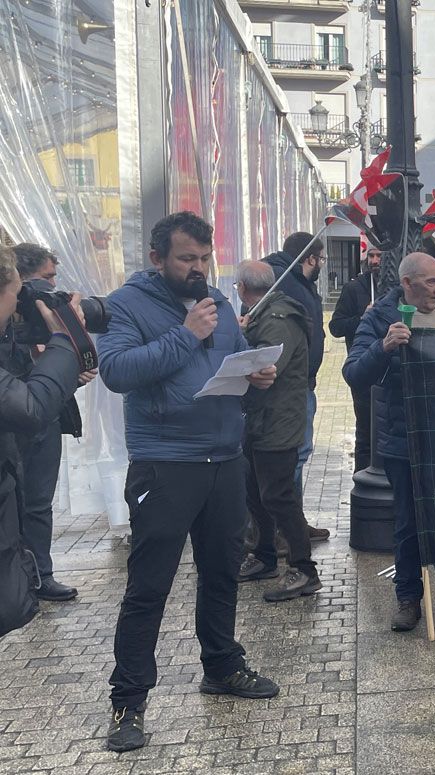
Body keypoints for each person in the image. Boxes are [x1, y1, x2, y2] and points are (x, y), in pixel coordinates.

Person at [99, 212, 280, 753]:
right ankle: (128, 701)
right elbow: (117, 372)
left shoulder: (219, 305)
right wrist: (184, 335)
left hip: (224, 459)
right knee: (149, 586)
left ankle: (221, 665)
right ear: (157, 259)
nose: (199, 269)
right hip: (165, 462)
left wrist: (255, 377)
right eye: (187, 260)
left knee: (222, 572)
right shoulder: (126, 305)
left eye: (205, 259)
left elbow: (225, 362)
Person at [344, 252, 435, 630]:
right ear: (406, 283)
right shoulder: (379, 317)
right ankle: (408, 597)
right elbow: (355, 374)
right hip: (403, 438)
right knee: (409, 523)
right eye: (429, 282)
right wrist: (384, 347)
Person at [3, 244, 95, 602]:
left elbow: (43, 392)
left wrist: (71, 373)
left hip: (44, 422)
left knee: (39, 501)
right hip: (12, 424)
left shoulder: (42, 321)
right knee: (14, 500)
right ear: (18, 280)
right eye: (46, 278)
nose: (51, 287)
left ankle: (40, 574)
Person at [233, 261, 320, 603]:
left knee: (278, 496)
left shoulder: (277, 317)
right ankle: (264, 556)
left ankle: (304, 569)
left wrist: (238, 337)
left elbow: (267, 365)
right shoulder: (262, 311)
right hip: (257, 418)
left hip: (278, 420)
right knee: (255, 490)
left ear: (241, 287)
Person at [262, 233, 328, 539]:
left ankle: (293, 524)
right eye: (321, 259)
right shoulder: (286, 283)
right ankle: (286, 530)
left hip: (300, 384)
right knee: (293, 457)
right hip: (290, 388)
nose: (321, 266)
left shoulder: (294, 283)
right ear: (310, 259)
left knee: (296, 455)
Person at [329, 246, 382, 471]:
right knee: (366, 432)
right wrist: (362, 318)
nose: (374, 261)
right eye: (371, 255)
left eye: (379, 256)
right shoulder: (354, 288)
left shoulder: (399, 289)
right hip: (363, 369)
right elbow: (336, 326)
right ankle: (362, 480)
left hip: (391, 370)